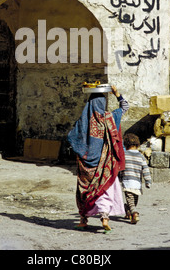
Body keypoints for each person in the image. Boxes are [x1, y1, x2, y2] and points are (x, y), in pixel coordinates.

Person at [67, 85, 128, 233]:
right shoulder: (109, 118)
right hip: (103, 163)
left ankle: (83, 220)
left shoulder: (83, 121)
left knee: (84, 193)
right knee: (103, 190)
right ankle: (105, 218)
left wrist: (82, 152)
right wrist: (117, 93)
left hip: (85, 166)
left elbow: (71, 137)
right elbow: (125, 106)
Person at [121, 133, 152, 224]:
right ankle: (129, 212)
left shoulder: (124, 155)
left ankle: (134, 213)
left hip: (127, 181)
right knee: (133, 201)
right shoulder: (141, 156)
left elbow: (120, 168)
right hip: (137, 184)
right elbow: (145, 169)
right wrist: (148, 181)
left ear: (125, 145)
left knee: (131, 202)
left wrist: (119, 177)